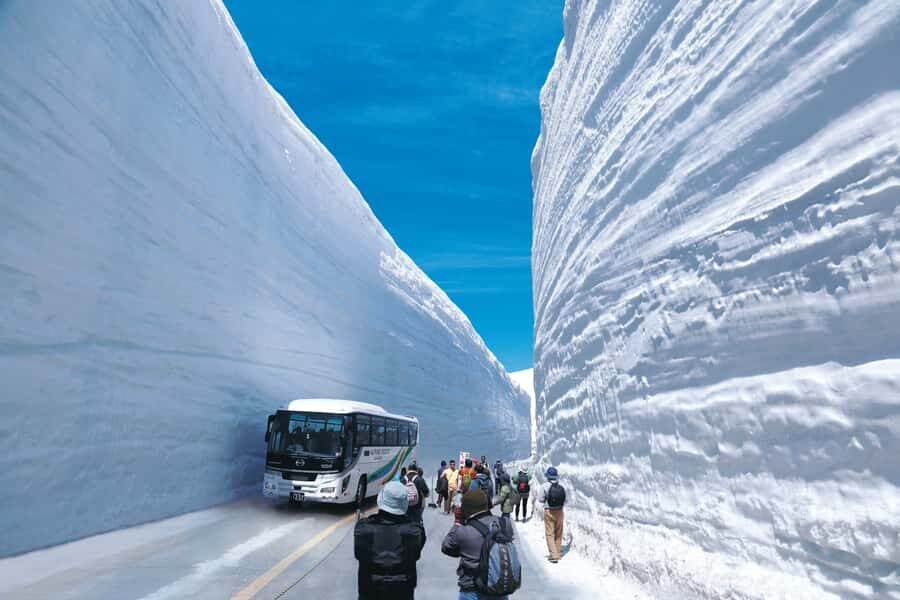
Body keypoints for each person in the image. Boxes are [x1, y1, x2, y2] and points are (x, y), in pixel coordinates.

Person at [354, 480, 427, 599]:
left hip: (369, 590)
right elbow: (416, 554)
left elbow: (359, 554)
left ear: (381, 500)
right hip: (402, 591)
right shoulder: (415, 530)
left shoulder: (363, 528)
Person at [441, 489, 512, 600]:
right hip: (499, 587)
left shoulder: (464, 531)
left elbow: (447, 547)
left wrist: (458, 522)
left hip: (472, 589)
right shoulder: (504, 524)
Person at [539, 466, 566, 563]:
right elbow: (565, 499)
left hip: (549, 511)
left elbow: (540, 499)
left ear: (547, 476)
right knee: (559, 532)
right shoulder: (561, 486)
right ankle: (557, 551)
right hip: (560, 511)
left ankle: (554, 555)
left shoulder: (544, 486)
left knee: (550, 533)